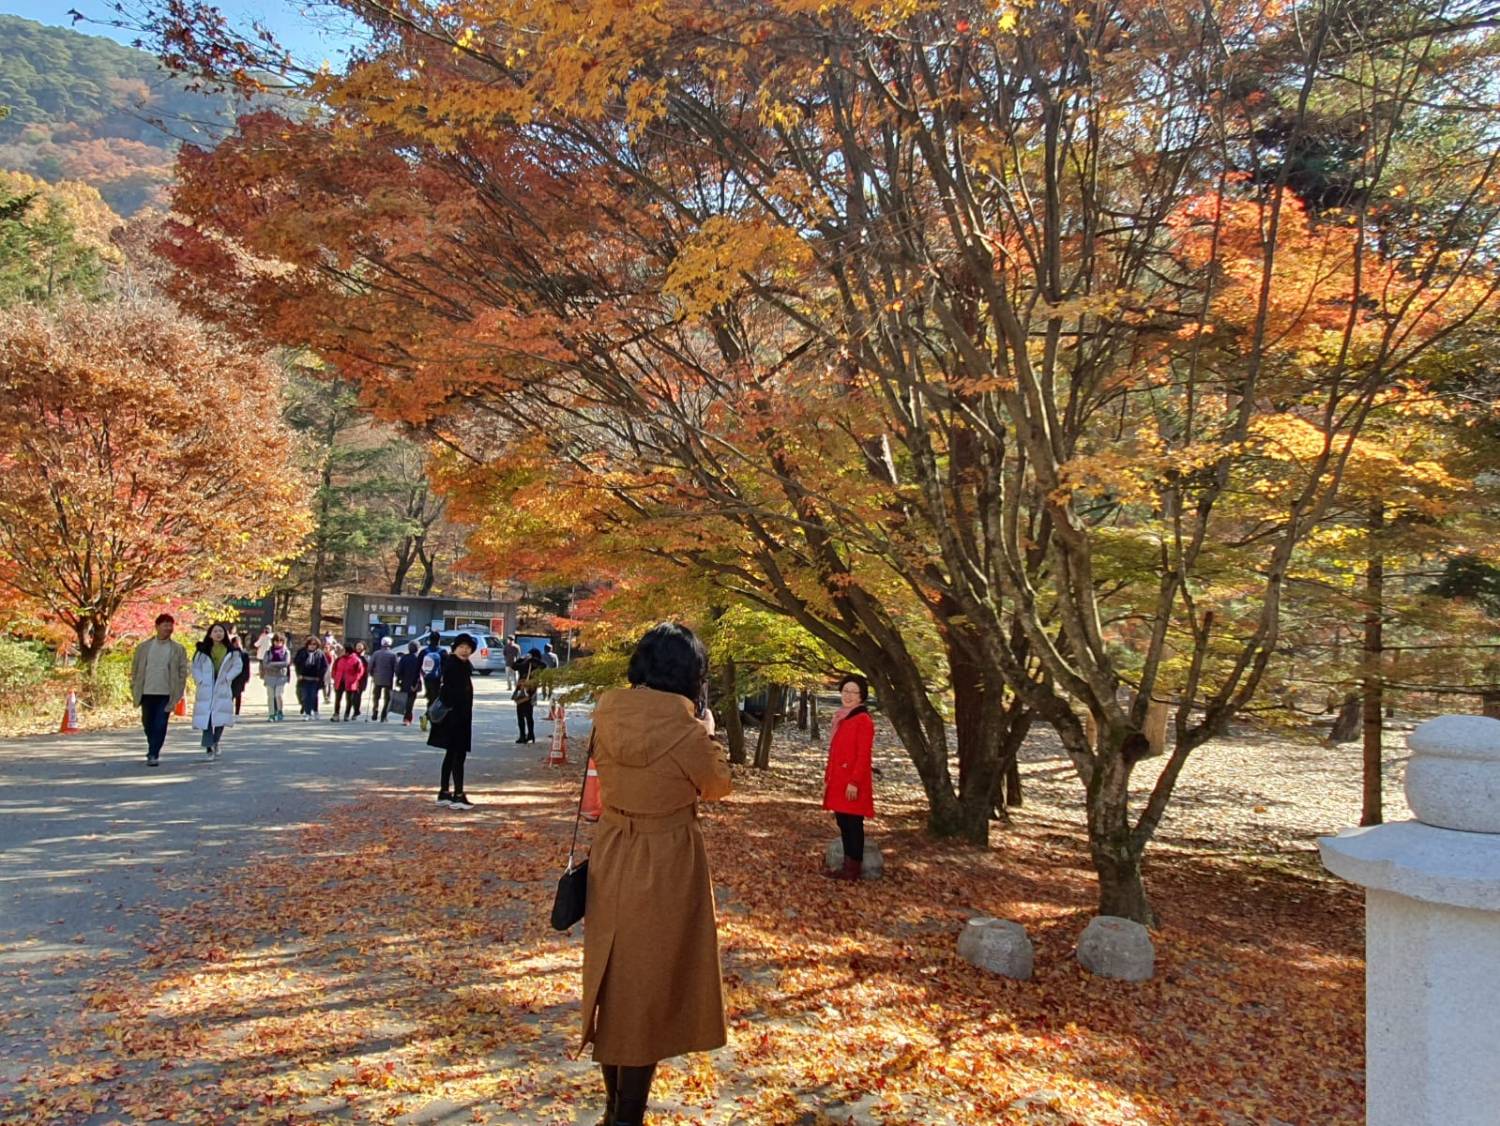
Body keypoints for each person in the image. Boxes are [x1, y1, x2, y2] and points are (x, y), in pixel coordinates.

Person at [581, 622, 731, 1125]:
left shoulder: (607, 711)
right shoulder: (686, 729)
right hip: (665, 857)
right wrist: (707, 734)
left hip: (612, 850)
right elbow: (717, 786)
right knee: (644, 987)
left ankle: (612, 1110)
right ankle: (626, 1118)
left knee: (614, 978)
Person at [821, 674, 875, 880]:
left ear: (862, 696)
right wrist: (828, 778)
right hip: (839, 779)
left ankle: (853, 869)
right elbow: (835, 752)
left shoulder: (863, 720)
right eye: (846, 691)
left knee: (853, 824)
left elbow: (863, 755)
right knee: (844, 822)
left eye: (854, 692)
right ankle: (847, 865)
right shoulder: (842, 717)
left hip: (852, 782)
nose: (849, 696)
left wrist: (854, 782)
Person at [129, 613, 189, 767]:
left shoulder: (177, 649)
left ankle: (153, 753)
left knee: (161, 723)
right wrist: (134, 685)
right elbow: (135, 669)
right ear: (157, 627)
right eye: (165, 624)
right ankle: (152, 746)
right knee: (148, 723)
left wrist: (179, 689)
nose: (168, 628)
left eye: (171, 625)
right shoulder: (144, 648)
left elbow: (183, 671)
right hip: (146, 691)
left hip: (166, 692)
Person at [428, 632, 476, 808]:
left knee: (451, 755)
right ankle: (458, 795)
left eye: (468, 647)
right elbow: (450, 692)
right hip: (456, 718)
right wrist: (455, 708)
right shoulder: (454, 666)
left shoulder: (461, 664)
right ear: (454, 648)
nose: (465, 650)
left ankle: (444, 792)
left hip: (456, 716)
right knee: (458, 755)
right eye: (461, 647)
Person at [191, 621, 244, 759]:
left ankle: (216, 741)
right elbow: (195, 667)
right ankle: (209, 747)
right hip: (207, 686)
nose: (218, 634)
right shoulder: (202, 650)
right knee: (207, 718)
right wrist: (200, 680)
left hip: (222, 686)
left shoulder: (232, 651)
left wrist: (228, 677)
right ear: (210, 634)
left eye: (221, 631)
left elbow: (238, 666)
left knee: (220, 717)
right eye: (215, 631)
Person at [292, 636, 329, 720]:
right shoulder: (302, 652)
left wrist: (320, 676)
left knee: (313, 695)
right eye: (310, 644)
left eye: (314, 644)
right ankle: (307, 712)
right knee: (305, 695)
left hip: (315, 678)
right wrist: (299, 674)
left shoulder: (320, 653)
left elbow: (325, 666)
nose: (312, 646)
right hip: (304, 678)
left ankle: (315, 711)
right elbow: (297, 663)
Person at [332, 640, 370, 722]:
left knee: (349, 699)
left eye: (343, 650)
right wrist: (334, 677)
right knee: (338, 698)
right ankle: (336, 714)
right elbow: (334, 669)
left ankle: (347, 714)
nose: (341, 651)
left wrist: (355, 679)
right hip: (339, 681)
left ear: (347, 650)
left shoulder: (356, 659)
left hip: (350, 682)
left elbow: (360, 671)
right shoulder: (339, 659)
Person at [513, 647, 544, 744]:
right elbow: (544, 666)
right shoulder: (537, 665)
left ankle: (522, 736)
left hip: (523, 691)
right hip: (531, 691)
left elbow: (514, 665)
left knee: (520, 715)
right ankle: (531, 734)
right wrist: (532, 659)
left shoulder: (525, 663)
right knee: (529, 715)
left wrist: (524, 658)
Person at [260, 633, 292, 721]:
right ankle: (271, 714)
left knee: (278, 695)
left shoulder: (286, 652)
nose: (278, 643)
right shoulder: (268, 652)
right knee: (270, 696)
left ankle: (280, 711)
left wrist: (273, 664)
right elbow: (265, 664)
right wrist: (276, 665)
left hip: (281, 676)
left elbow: (286, 663)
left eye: (280, 641)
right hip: (269, 676)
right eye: (276, 641)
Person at [368, 635, 399, 722]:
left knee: (376, 696)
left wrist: (371, 674)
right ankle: (383, 715)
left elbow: (370, 665)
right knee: (387, 697)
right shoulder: (393, 655)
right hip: (388, 679)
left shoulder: (376, 653)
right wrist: (398, 677)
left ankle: (375, 711)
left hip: (377, 678)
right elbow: (396, 668)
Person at [419, 631, 444, 729]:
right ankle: (428, 717)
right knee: (436, 700)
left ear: (429, 639)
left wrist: (417, 679)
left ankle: (428, 717)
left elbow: (418, 666)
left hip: (427, 678)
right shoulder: (442, 652)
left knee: (430, 698)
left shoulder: (424, 652)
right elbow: (446, 667)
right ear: (439, 640)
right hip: (437, 680)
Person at [394, 640, 423, 726]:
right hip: (415, 683)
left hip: (405, 682)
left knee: (406, 700)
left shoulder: (404, 658)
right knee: (411, 701)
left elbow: (399, 671)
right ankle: (407, 718)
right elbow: (421, 671)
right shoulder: (418, 658)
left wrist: (398, 680)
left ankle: (406, 717)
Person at [228, 626, 251, 716]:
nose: (237, 645)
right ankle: (229, 710)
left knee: (238, 694)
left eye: (239, 643)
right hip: (231, 677)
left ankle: (237, 712)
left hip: (240, 677)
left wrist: (247, 677)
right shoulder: (229, 653)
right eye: (235, 643)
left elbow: (247, 667)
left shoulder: (244, 654)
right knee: (230, 694)